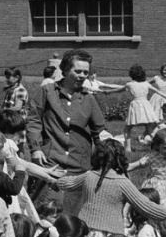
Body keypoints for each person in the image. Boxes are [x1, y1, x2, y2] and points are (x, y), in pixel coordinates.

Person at [27, 49, 109, 181]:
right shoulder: (46, 92)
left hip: (79, 167)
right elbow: (33, 121)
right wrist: (36, 149)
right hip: (50, 164)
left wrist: (107, 152)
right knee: (46, 201)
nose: (82, 75)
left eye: (86, 72)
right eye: (77, 71)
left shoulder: (89, 99)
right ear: (65, 71)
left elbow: (99, 131)